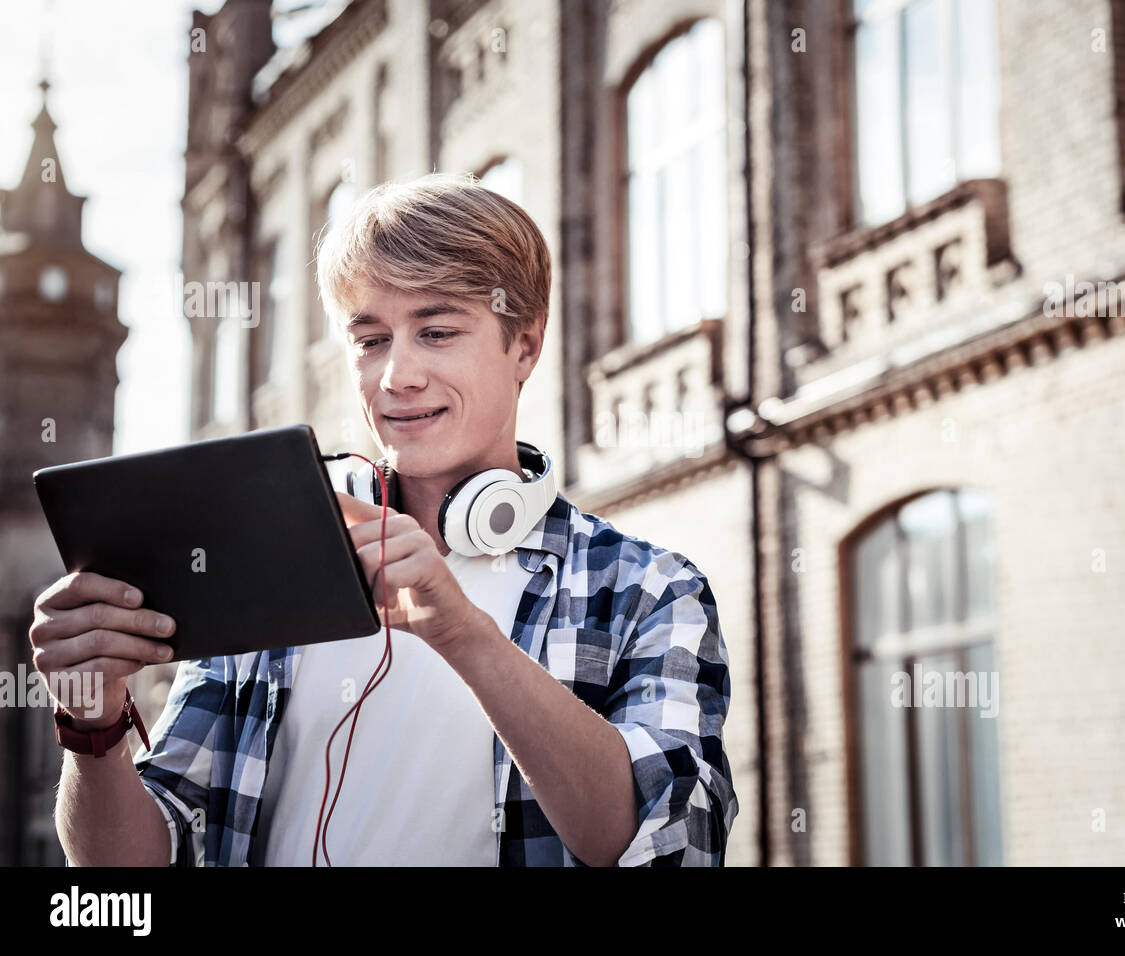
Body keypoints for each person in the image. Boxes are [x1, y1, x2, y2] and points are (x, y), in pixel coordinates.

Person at [31, 172, 739, 866]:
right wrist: (91, 726)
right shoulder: (263, 562)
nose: (396, 376)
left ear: (524, 345)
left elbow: (670, 839)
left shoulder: (651, 589)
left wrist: (463, 634)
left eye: (436, 331)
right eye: (370, 340)